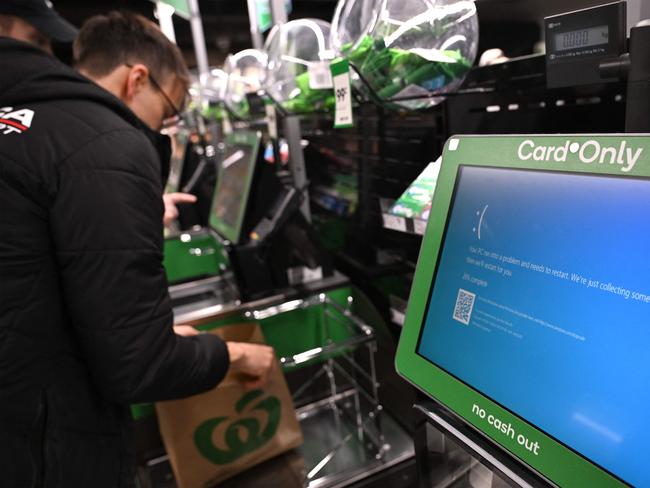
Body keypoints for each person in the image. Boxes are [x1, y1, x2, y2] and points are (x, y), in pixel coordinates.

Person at [0, 7, 275, 487]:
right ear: (137, 80)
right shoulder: (108, 143)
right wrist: (232, 356)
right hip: (49, 451)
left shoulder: (28, 120)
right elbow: (138, 365)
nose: (165, 128)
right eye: (169, 112)